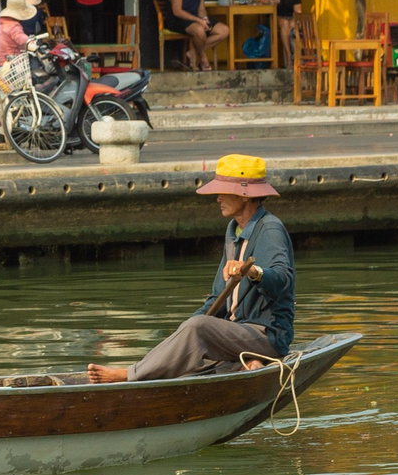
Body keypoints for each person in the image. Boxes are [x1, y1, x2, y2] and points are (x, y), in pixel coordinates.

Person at [89, 154, 294, 382]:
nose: (217, 198)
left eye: (223, 191)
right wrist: (183, 332)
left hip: (267, 335)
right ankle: (247, 362)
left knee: (197, 329)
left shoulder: (270, 229)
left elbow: (283, 279)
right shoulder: (233, 230)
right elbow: (217, 297)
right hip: (237, 333)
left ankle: (127, 375)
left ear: (244, 195)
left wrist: (254, 272)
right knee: (190, 338)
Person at [170, 0, 231, 71]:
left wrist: (205, 19)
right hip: (179, 20)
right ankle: (203, 59)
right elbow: (177, 12)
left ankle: (192, 53)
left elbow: (201, 8)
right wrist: (199, 21)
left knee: (224, 30)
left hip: (195, 18)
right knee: (200, 30)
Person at [265, 0, 308, 67]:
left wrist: (295, 21)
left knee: (292, 25)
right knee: (284, 23)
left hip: (290, 17)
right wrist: (269, 1)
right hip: (276, 17)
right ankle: (289, 55)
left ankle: (296, 59)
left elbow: (298, 11)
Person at [0, 0, 36, 64]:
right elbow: (20, 37)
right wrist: (30, 42)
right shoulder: (14, 26)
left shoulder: (4, 22)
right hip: (11, 63)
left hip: (0, 61)